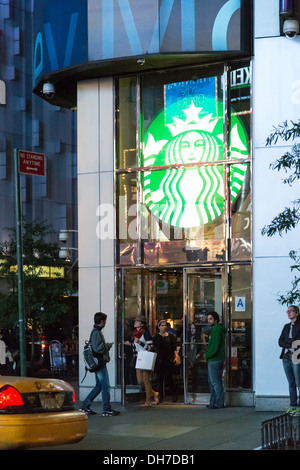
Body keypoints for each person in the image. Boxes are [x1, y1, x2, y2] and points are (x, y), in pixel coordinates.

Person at [79, 312, 120, 417]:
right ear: (101, 321)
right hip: (100, 363)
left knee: (99, 386)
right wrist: (107, 346)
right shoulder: (96, 332)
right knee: (105, 386)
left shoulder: (95, 331)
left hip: (98, 363)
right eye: (105, 320)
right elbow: (98, 348)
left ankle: (85, 406)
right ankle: (106, 409)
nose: (105, 322)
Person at [125, 314, 159, 407]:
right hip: (139, 358)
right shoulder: (135, 333)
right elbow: (136, 347)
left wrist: (140, 342)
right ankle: (154, 393)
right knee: (140, 381)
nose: (135, 322)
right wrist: (131, 344)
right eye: (135, 321)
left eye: (137, 321)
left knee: (146, 380)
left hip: (146, 357)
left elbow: (150, 347)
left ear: (142, 324)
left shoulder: (146, 333)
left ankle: (148, 401)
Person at [278, 305, 300, 413]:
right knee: (291, 383)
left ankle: (299, 407)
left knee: (298, 382)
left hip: (296, 356)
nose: (288, 313)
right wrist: (291, 343)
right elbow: (280, 342)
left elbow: (297, 343)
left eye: (291, 311)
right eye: (287, 311)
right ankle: (293, 405)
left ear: (296, 313)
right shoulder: (286, 326)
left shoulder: (299, 325)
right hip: (286, 356)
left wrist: (289, 343)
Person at [153, 319, 180, 403]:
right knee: (159, 379)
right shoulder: (156, 337)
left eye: (165, 325)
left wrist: (176, 356)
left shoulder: (171, 336)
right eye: (162, 325)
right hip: (159, 359)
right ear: (158, 327)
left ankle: (174, 394)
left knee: (169, 378)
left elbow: (174, 347)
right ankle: (160, 395)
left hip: (169, 359)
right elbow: (154, 348)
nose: (164, 327)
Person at [205, 311, 227, 409]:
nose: (209, 321)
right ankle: (213, 402)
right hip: (216, 358)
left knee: (214, 382)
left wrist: (207, 355)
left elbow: (215, 346)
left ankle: (218, 402)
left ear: (215, 319)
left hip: (214, 359)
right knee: (213, 381)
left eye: (210, 319)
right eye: (208, 319)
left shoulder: (216, 329)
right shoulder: (217, 329)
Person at [187, 323, 202, 400]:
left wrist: (198, 354)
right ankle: (188, 392)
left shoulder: (199, 338)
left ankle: (194, 391)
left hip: (196, 358)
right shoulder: (187, 337)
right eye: (191, 328)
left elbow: (203, 348)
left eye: (194, 328)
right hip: (188, 357)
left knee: (194, 375)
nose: (192, 330)